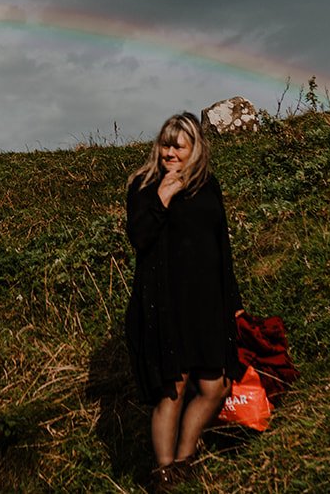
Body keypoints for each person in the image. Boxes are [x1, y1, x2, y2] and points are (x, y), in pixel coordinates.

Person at [125, 112, 245, 486]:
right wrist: (162, 198)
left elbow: (221, 246)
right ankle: (164, 470)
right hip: (165, 304)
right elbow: (139, 239)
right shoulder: (143, 186)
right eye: (166, 143)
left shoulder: (208, 187)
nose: (170, 152)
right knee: (172, 390)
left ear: (195, 149)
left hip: (207, 303)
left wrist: (234, 301)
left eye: (179, 145)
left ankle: (185, 456)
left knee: (215, 387)